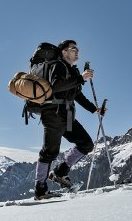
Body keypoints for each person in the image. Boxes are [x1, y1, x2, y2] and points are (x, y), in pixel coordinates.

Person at [34, 40, 103, 200]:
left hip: (67, 115)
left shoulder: (72, 70)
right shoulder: (57, 66)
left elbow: (77, 95)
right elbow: (56, 86)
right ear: (64, 52)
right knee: (49, 152)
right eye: (73, 49)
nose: (77, 51)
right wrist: (81, 78)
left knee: (86, 143)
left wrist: (94, 109)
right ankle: (40, 189)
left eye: (77, 49)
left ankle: (59, 172)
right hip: (53, 113)